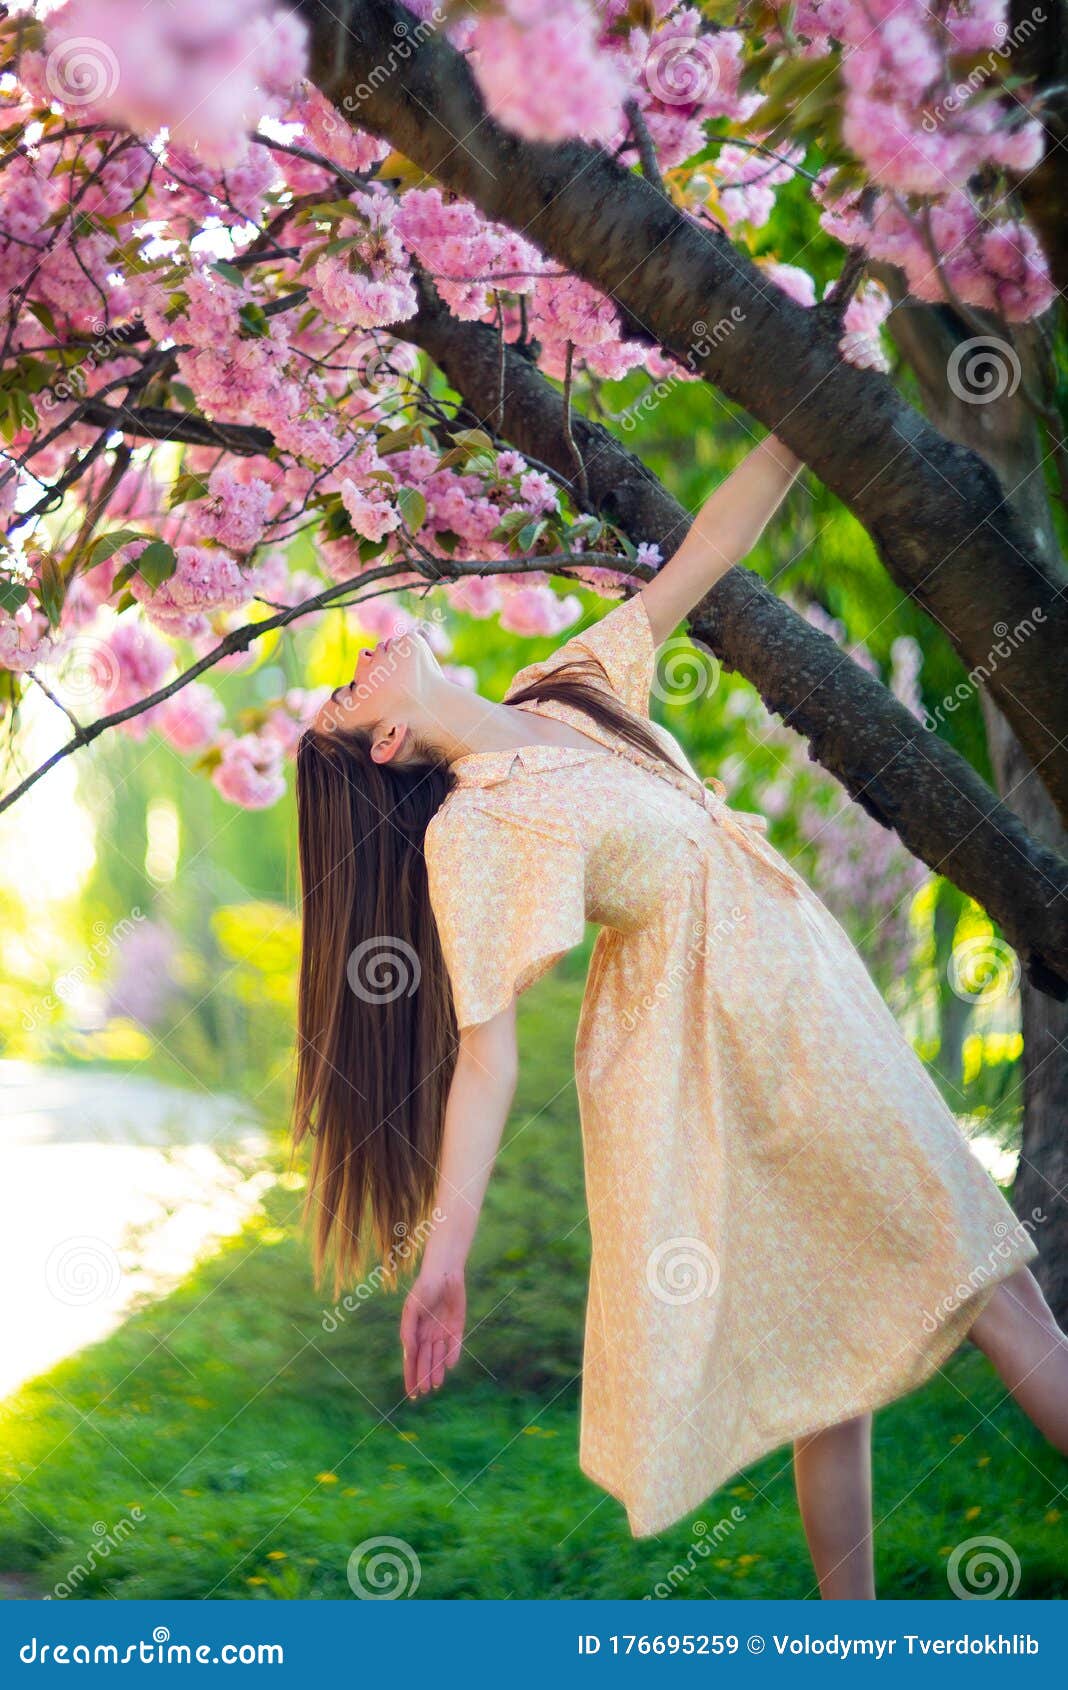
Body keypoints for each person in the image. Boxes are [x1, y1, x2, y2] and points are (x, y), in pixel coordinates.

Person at [294, 435, 1068, 1597]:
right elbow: (484, 1058)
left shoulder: (566, 687)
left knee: (833, 1369)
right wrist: (442, 1255)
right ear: (391, 742)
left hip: (810, 990)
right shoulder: (474, 833)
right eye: (353, 694)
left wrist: (800, 412)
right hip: (730, 1049)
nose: (361, 657)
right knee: (995, 1283)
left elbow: (708, 548)